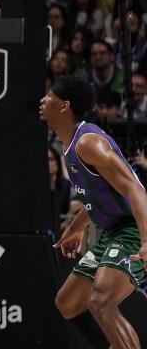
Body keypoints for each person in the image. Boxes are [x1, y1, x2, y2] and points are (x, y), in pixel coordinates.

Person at [46, 76, 147, 349]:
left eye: (49, 97)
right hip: (116, 230)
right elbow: (99, 197)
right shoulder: (69, 147)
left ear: (64, 106)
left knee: (101, 301)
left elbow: (134, 189)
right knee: (68, 302)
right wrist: (75, 228)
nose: (43, 101)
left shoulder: (88, 143)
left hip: (134, 227)